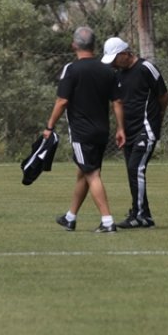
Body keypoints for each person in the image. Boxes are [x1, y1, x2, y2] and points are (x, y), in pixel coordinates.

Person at [46, 27, 122, 234]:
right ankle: (70, 217)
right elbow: (117, 102)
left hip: (82, 132)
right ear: (94, 46)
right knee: (84, 172)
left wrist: (49, 125)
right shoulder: (108, 70)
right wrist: (120, 129)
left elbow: (62, 101)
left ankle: (107, 221)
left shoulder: (71, 69)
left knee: (91, 173)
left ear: (74, 45)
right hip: (102, 131)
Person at [103, 36, 168, 229]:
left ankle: (139, 215)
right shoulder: (118, 75)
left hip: (146, 129)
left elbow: (164, 96)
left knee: (136, 169)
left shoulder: (146, 68)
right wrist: (120, 128)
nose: (113, 63)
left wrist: (158, 119)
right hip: (129, 131)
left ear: (125, 53)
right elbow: (119, 104)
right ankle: (143, 214)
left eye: (115, 58)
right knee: (133, 171)